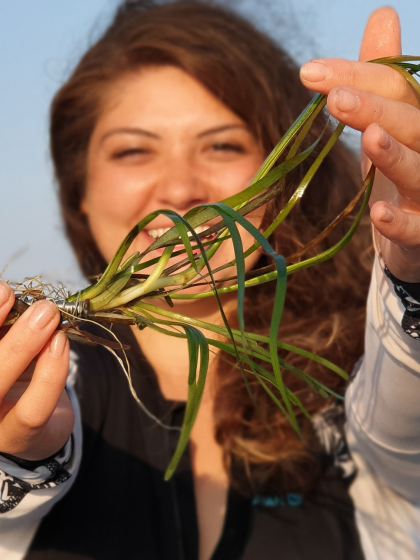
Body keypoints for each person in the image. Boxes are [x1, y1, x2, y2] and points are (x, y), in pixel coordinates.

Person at [0, 1, 420, 559]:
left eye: (222, 145)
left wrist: (410, 275)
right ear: (80, 192)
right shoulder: (53, 383)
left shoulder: (348, 390)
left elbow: (403, 420)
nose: (179, 190)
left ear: (279, 187)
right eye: (133, 151)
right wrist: (22, 455)